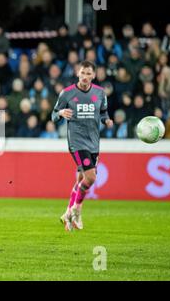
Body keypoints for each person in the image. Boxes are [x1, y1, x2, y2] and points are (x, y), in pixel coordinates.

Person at [51, 60, 113, 231]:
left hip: (93, 141)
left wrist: (106, 120)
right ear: (78, 73)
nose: (85, 76)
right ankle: (76, 210)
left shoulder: (100, 93)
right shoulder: (67, 93)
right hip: (77, 142)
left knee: (81, 179)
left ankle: (67, 214)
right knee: (91, 177)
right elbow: (53, 115)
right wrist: (61, 112)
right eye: (82, 73)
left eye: (88, 73)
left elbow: (103, 112)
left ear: (94, 75)